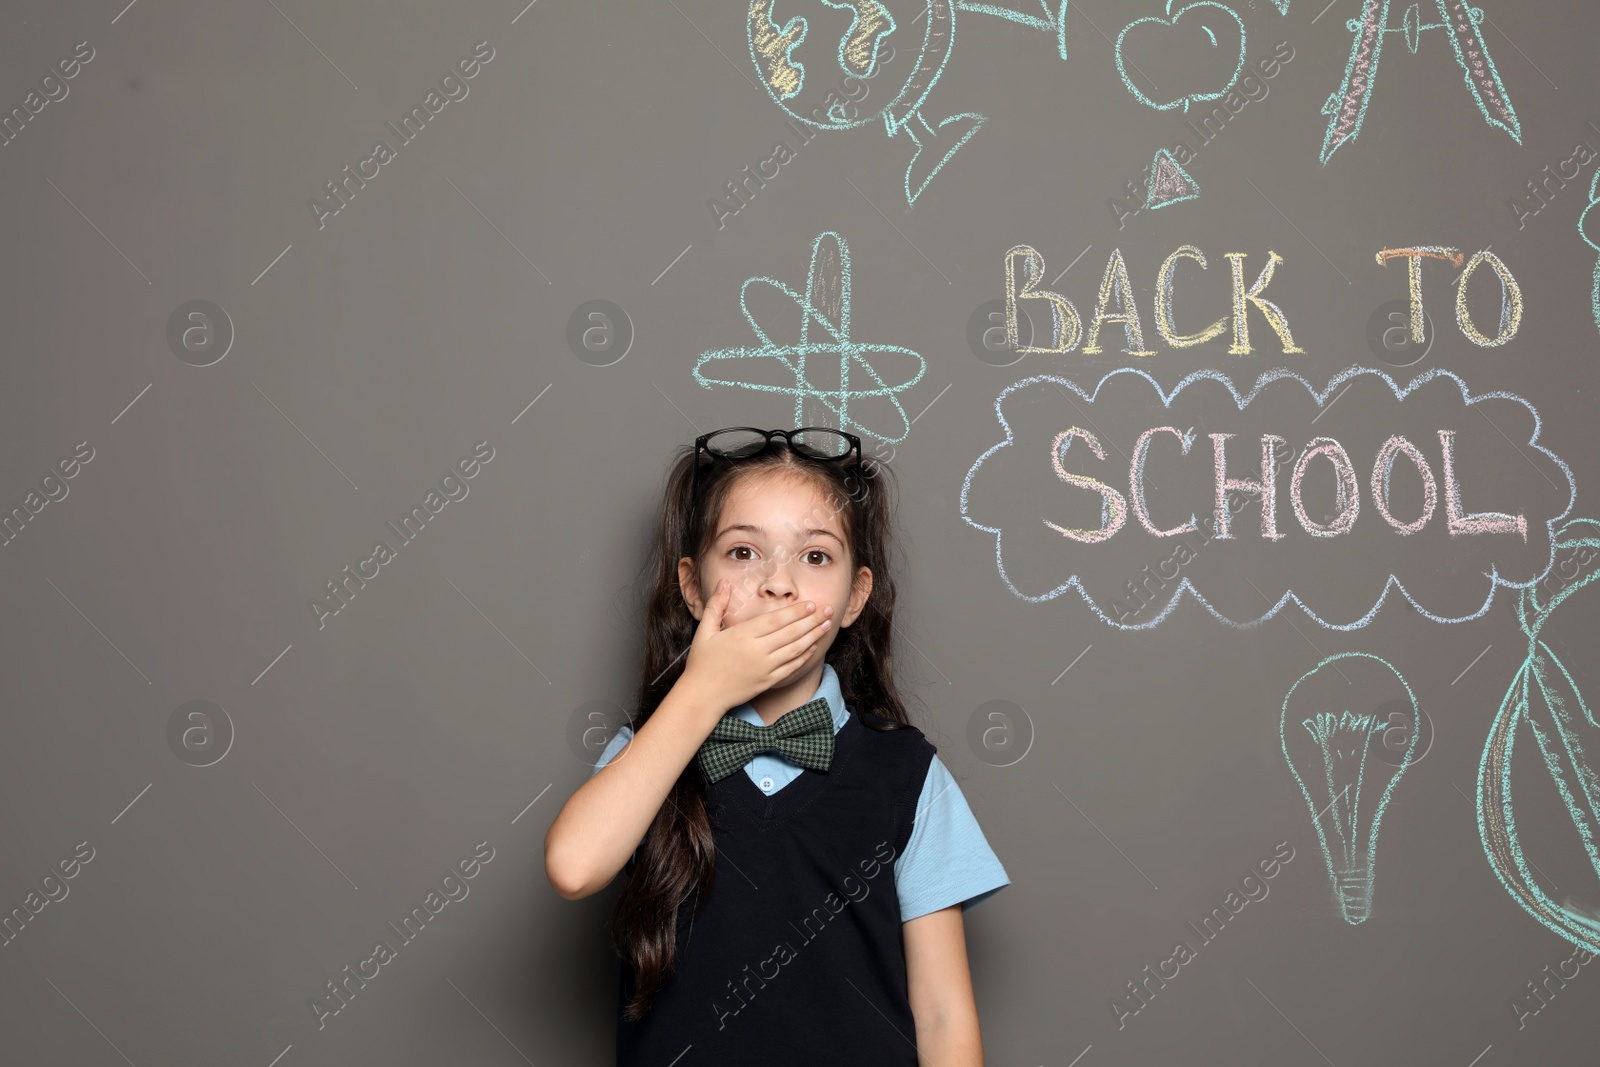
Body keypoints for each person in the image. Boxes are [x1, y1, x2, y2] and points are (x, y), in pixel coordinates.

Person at [544, 426, 1009, 1065]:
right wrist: (702, 692)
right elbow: (574, 867)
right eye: (742, 553)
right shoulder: (650, 749)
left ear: (855, 597)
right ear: (691, 586)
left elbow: (943, 1013)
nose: (778, 584)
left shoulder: (908, 773)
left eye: (815, 557)